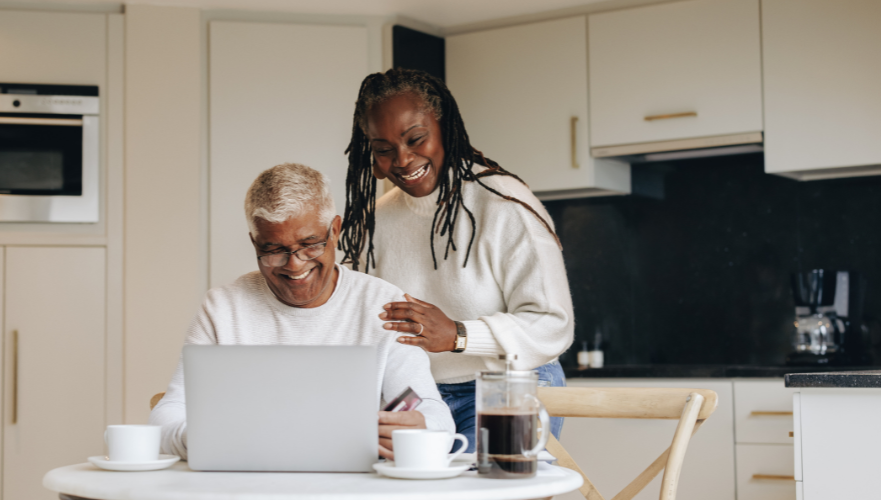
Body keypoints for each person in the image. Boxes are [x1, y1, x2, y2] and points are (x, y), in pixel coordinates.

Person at [150, 163, 454, 460]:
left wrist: (419, 427)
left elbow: (433, 412)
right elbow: (167, 413)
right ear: (254, 242)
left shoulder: (384, 305)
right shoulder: (222, 308)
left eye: (310, 244)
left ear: (334, 231)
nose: (294, 265)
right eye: (273, 250)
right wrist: (201, 437)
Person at [340, 68, 574, 451]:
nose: (402, 159)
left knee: (497, 491)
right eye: (384, 149)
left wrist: (458, 335)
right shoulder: (373, 222)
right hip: (417, 395)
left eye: (416, 139)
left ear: (444, 126)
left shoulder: (503, 203)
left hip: (506, 383)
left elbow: (553, 326)